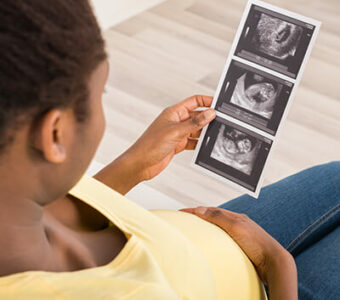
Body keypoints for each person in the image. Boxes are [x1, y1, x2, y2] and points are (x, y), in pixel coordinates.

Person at [0, 1, 338, 299]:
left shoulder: (15, 197)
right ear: (55, 133)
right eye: (102, 93)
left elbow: (71, 211)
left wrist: (136, 163)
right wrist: (277, 265)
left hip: (208, 243)